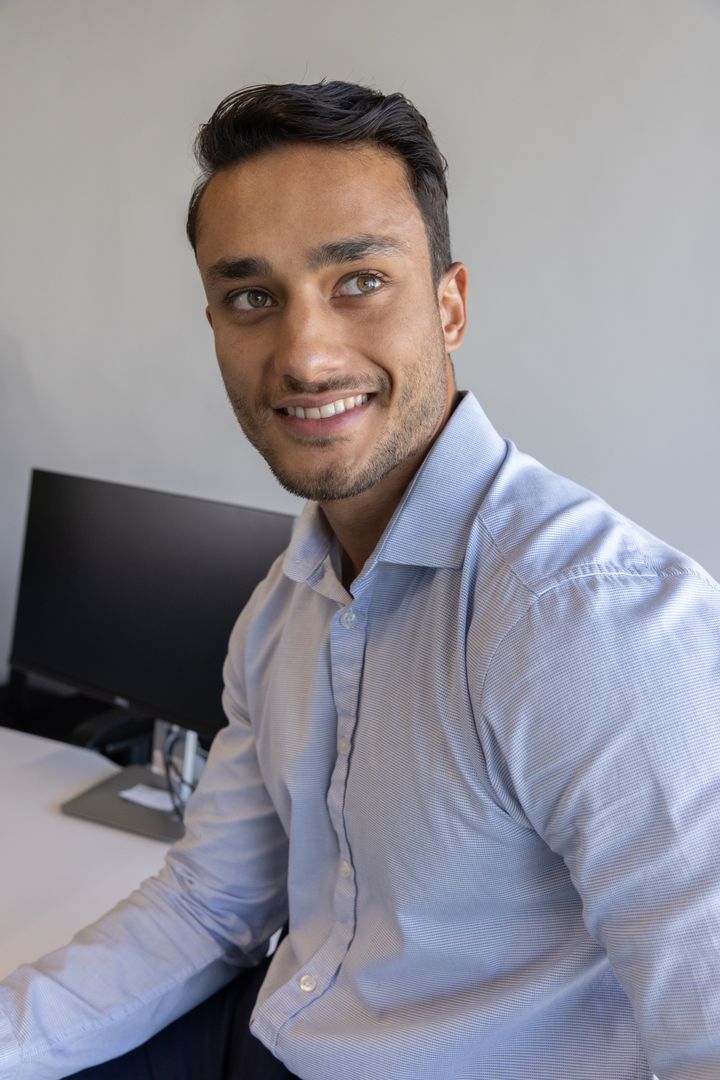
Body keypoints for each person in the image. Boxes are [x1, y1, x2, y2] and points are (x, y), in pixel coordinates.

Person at [1, 81, 719, 1080]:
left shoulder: (592, 618)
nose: (303, 353)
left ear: (451, 304)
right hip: (274, 1043)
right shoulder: (283, 608)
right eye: (252, 297)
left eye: (358, 280)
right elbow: (213, 905)